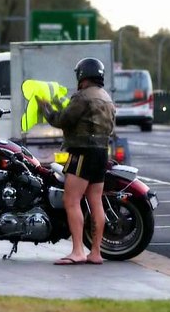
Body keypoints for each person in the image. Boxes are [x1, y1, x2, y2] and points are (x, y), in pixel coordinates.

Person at [36, 57, 115, 265]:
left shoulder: (82, 97)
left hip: (82, 153)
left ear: (82, 76)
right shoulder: (106, 98)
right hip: (101, 153)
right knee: (95, 201)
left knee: (71, 200)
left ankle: (78, 251)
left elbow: (63, 120)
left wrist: (45, 108)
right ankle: (95, 252)